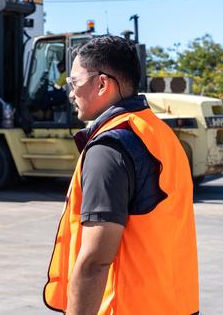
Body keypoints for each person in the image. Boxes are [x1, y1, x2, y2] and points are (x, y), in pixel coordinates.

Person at [43, 36, 199, 314]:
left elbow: (95, 261)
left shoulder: (109, 148)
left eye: (74, 82)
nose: (70, 93)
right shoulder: (159, 134)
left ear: (102, 83)